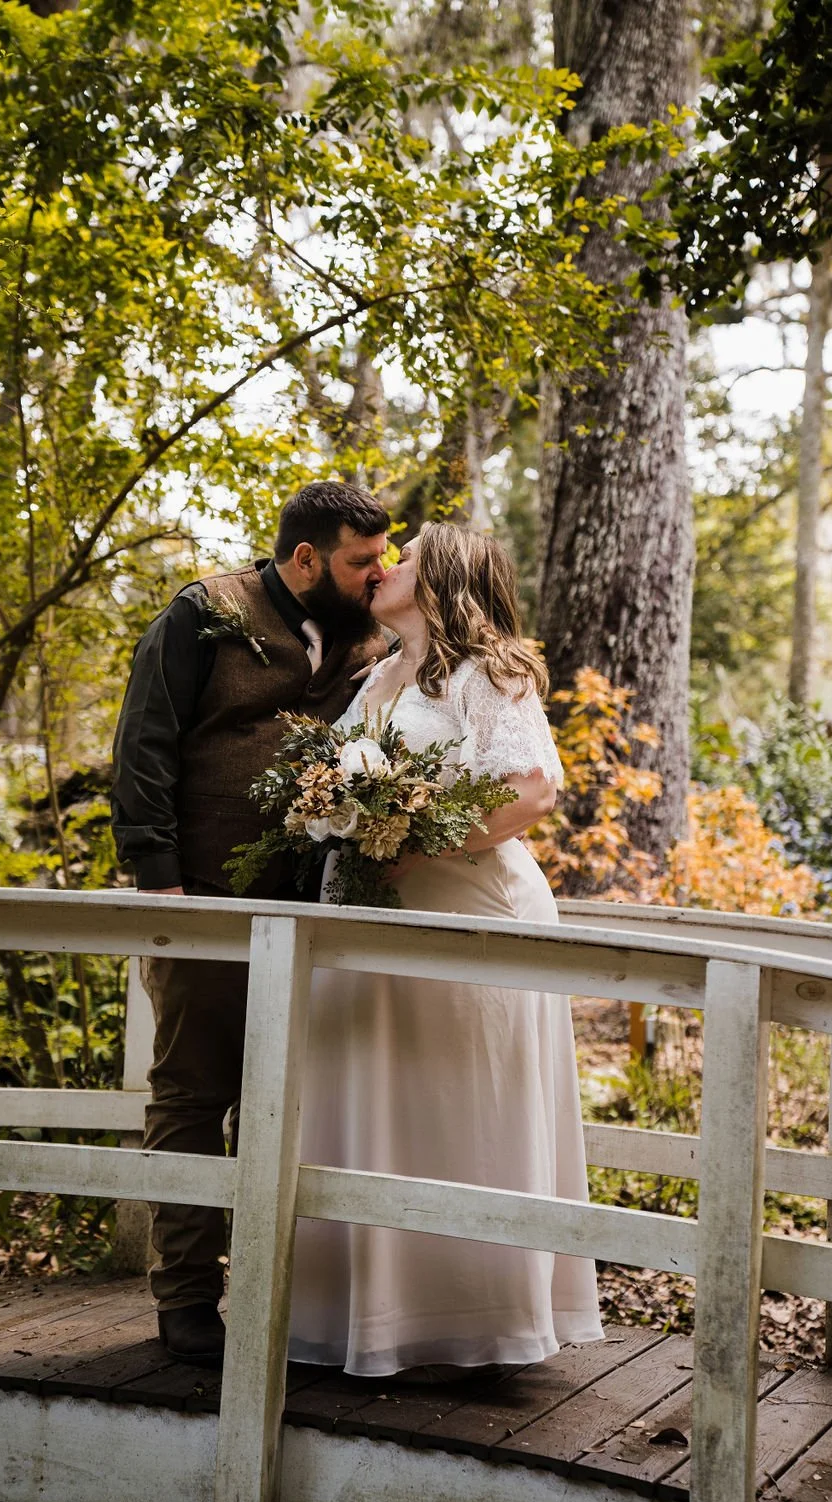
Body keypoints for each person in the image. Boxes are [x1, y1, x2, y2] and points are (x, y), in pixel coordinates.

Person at [288, 521, 603, 1376]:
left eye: (407, 556)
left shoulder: (485, 670)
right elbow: (332, 774)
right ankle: (374, 1315)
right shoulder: (383, 675)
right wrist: (339, 809)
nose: (386, 565)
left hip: (471, 911)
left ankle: (471, 1319)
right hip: (373, 913)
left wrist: (414, 840)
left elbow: (530, 788)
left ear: (446, 579)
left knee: (458, 1103)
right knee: (378, 1093)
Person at [111, 481, 390, 1363]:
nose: (376, 573)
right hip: (201, 898)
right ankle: (186, 1300)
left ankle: (278, 1294)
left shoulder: (369, 637)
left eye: (383, 557)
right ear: (305, 559)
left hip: (318, 907)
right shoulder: (205, 612)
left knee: (293, 1100)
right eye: (360, 560)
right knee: (193, 1091)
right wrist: (158, 882)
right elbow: (145, 739)